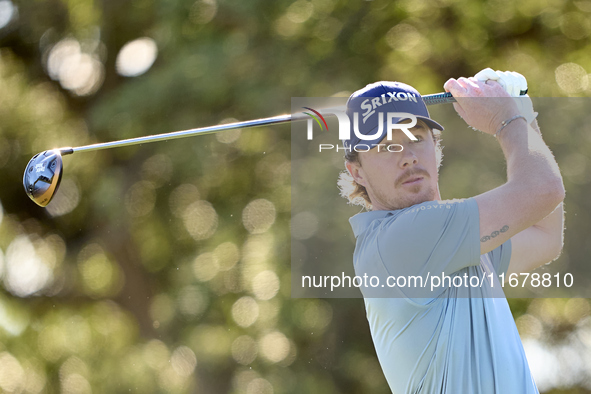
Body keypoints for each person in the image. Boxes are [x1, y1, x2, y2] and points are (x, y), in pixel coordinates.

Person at [338, 70, 565, 393]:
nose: (408, 157)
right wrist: (508, 118)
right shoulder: (405, 238)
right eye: (386, 146)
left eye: (416, 137)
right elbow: (543, 189)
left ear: (435, 146)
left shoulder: (454, 244)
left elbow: (545, 236)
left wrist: (524, 118)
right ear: (356, 171)